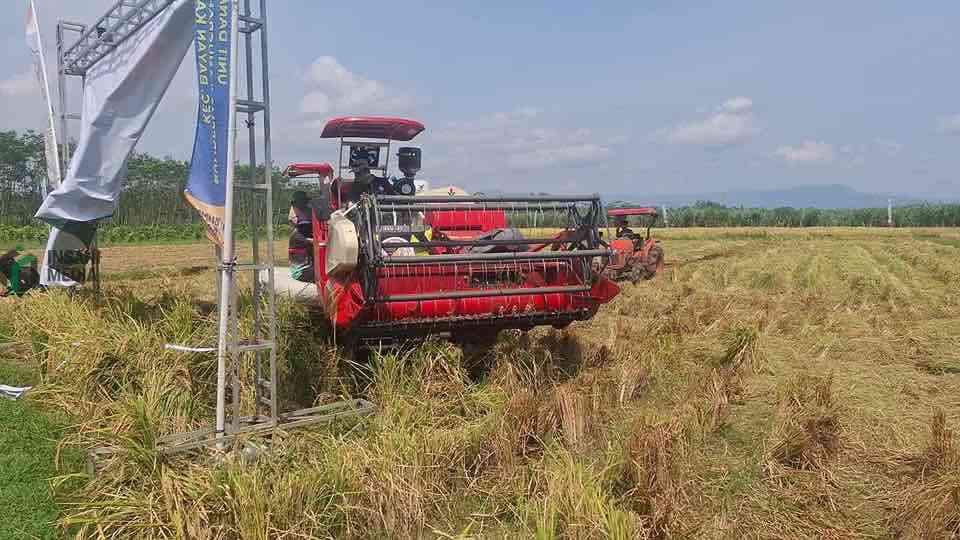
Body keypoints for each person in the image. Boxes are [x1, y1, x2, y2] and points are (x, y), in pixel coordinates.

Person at [288, 191, 315, 283]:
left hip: (307, 266)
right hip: (301, 271)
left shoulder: (305, 213)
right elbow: (313, 242)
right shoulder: (297, 235)